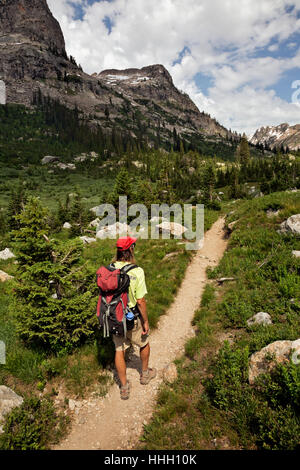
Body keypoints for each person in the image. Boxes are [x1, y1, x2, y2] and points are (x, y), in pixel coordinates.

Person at [112, 236, 156, 400]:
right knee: (144, 342)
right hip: (133, 317)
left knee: (119, 350)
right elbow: (140, 301)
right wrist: (145, 320)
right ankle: (144, 374)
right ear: (130, 250)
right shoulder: (137, 271)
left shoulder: (109, 269)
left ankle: (124, 387)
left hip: (114, 318)